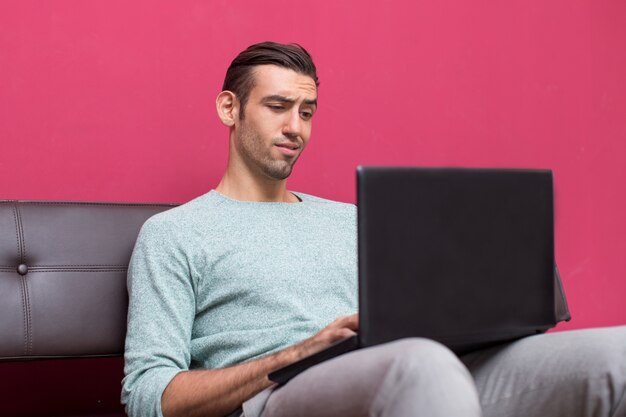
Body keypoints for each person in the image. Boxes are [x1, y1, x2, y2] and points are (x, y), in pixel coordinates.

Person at [122, 41, 626, 417]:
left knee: (614, 354)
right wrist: (296, 353)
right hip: (280, 395)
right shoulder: (174, 234)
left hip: (417, 373)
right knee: (422, 366)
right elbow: (147, 394)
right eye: (277, 107)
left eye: (307, 111)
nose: (295, 127)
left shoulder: (354, 220)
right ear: (229, 108)